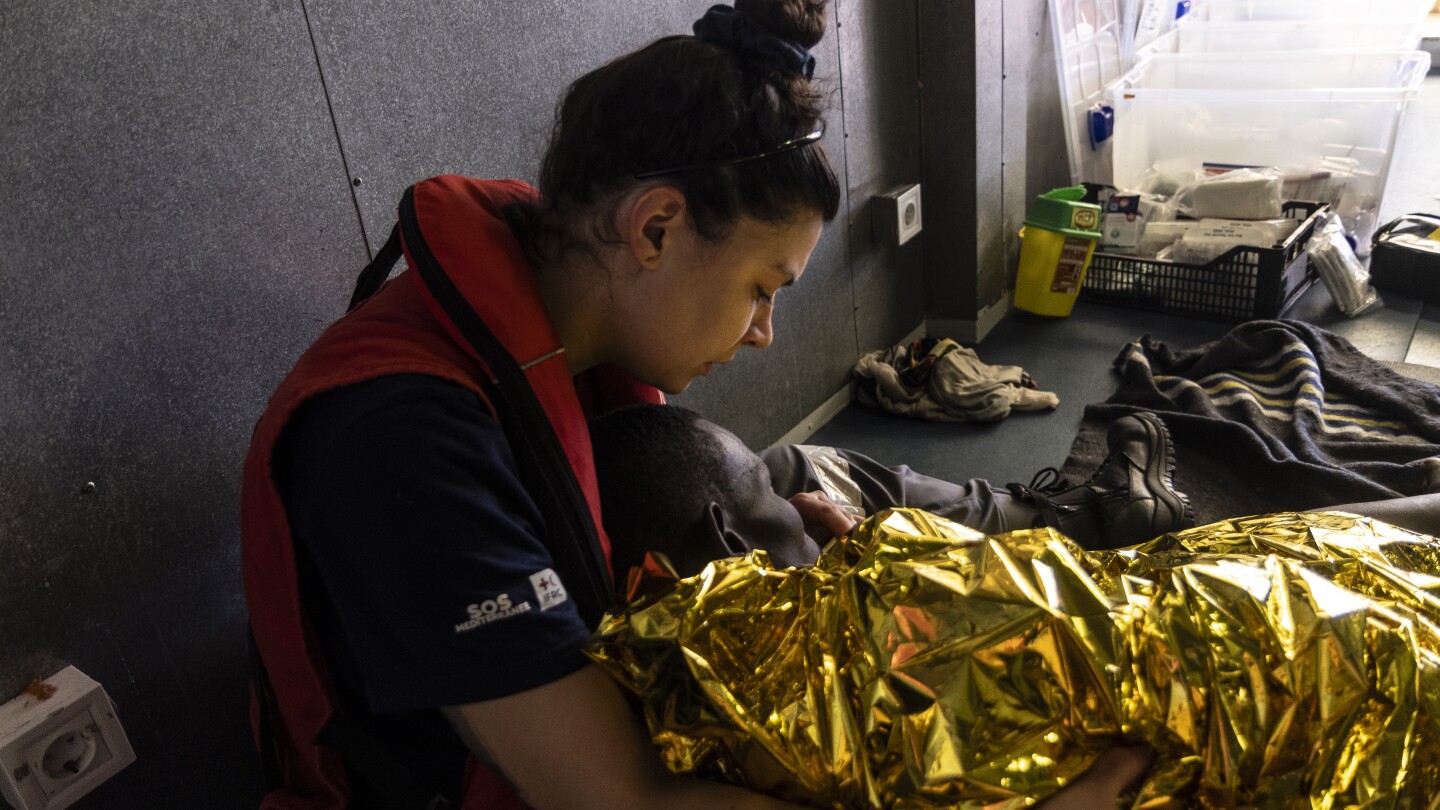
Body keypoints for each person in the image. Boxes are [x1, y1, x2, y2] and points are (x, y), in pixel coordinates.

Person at [240, 2, 1150, 808]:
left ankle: (1036, 527)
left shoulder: (562, 283)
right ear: (657, 228)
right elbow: (618, 793)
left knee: (789, 475)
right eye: (763, 287)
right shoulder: (399, 447)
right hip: (498, 774)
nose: (762, 332)